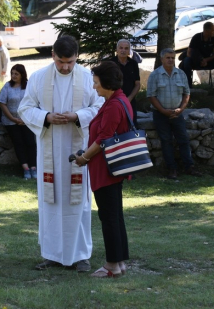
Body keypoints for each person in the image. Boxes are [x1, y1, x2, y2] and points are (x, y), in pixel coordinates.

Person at [18, 35, 103, 272]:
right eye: (61, 61)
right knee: (51, 202)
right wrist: (46, 117)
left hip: (79, 151)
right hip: (50, 152)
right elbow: (24, 108)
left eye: (71, 62)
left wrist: (78, 116)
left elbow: (99, 107)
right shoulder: (38, 78)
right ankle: (52, 254)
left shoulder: (87, 78)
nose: (65, 67)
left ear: (77, 57)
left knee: (80, 203)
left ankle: (81, 256)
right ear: (53, 55)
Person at [74, 61, 132, 278]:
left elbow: (104, 139)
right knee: (115, 216)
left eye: (97, 83)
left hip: (106, 170)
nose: (94, 87)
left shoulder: (114, 105)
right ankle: (120, 262)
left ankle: (112, 266)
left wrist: (84, 158)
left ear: (107, 84)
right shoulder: (117, 100)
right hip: (109, 169)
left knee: (109, 217)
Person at [147, 48, 201, 180]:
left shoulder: (181, 74)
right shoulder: (154, 75)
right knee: (166, 141)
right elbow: (151, 96)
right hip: (160, 114)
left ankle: (189, 167)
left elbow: (186, 93)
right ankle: (172, 169)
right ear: (162, 59)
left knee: (183, 140)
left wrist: (181, 109)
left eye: (172, 57)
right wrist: (163, 110)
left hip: (178, 113)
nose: (170, 60)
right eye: (168, 58)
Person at [0, 64, 37, 179]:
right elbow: (2, 103)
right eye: (12, 73)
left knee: (30, 143)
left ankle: (33, 168)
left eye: (16, 74)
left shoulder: (29, 86)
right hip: (11, 121)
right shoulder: (7, 86)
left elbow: (34, 103)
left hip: (27, 120)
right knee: (18, 143)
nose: (14, 76)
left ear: (22, 75)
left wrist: (26, 119)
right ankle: (25, 168)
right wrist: (12, 118)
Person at [181, 22, 214, 91]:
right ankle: (189, 86)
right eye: (213, 30)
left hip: (209, 60)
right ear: (207, 31)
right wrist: (199, 60)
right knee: (186, 60)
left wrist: (206, 60)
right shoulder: (196, 37)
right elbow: (189, 53)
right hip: (196, 61)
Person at [110, 39, 141, 126]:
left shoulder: (133, 64)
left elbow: (137, 84)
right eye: (121, 48)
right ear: (117, 49)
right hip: (114, 101)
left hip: (130, 101)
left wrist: (129, 98)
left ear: (129, 50)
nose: (123, 50)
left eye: (126, 48)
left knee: (132, 125)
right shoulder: (111, 63)